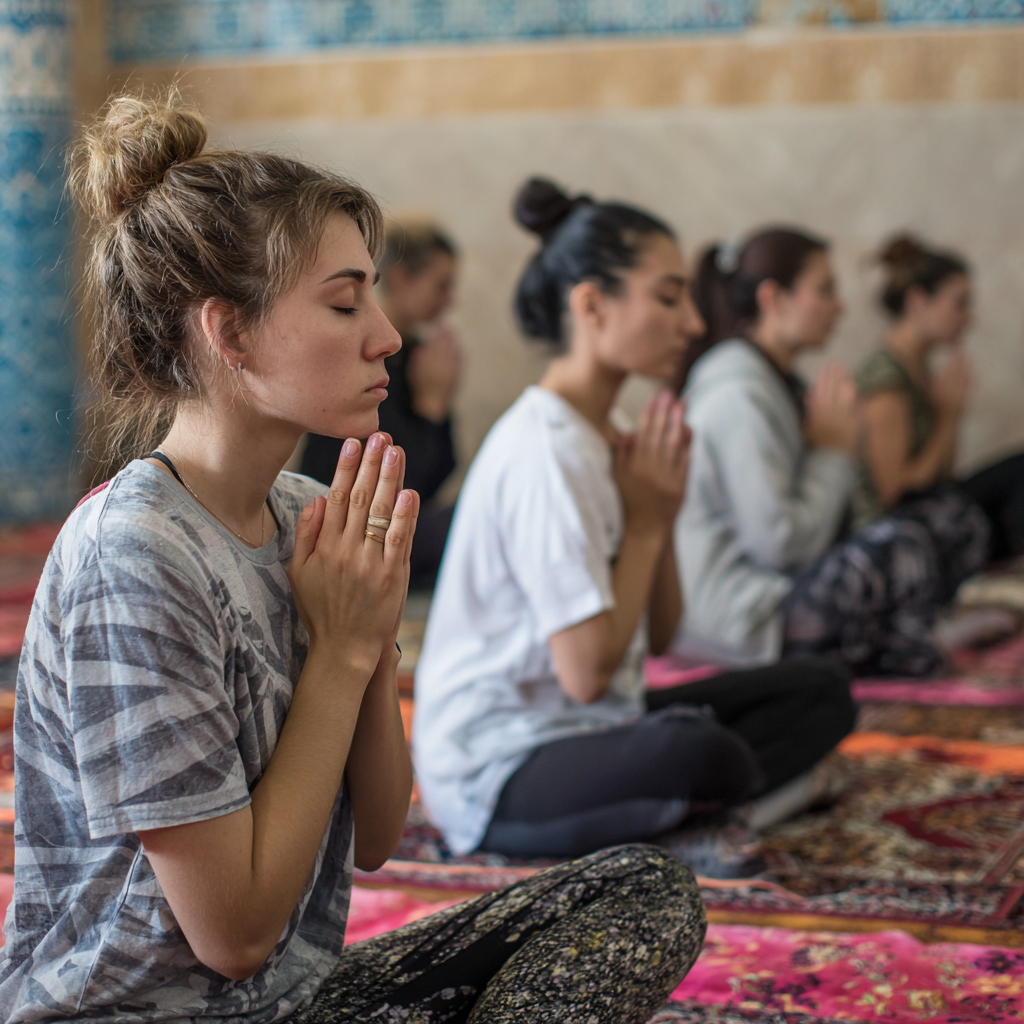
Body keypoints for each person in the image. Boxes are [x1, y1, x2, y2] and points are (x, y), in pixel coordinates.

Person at [0, 96, 706, 1024]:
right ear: (231, 333)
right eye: (344, 302)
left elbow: (377, 834)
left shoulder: (306, 514)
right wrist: (336, 654)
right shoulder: (134, 554)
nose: (387, 334)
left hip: (292, 1001)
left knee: (640, 893)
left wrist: (367, 643)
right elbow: (236, 934)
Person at [412, 179, 855, 864]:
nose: (694, 323)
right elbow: (586, 673)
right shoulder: (546, 450)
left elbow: (665, 632)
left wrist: (663, 517)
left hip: (594, 725)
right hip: (501, 772)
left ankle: (714, 814)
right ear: (591, 305)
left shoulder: (610, 431)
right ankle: (727, 816)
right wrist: (647, 527)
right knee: (697, 750)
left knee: (820, 689)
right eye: (668, 297)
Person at [674, 227, 988, 679]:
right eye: (824, 290)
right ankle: (910, 643)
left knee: (941, 524)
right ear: (773, 299)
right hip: (742, 622)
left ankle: (907, 640)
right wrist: (835, 454)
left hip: (778, 591)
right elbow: (780, 545)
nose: (839, 307)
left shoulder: (778, 383)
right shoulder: (738, 397)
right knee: (903, 546)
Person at [302, 218, 461, 588]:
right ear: (402, 277)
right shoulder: (359, 359)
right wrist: (432, 404)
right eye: (442, 286)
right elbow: (394, 488)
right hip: (345, 524)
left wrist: (437, 404)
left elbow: (439, 476)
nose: (449, 300)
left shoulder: (421, 356)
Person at [858, 234, 1024, 561]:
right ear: (918, 301)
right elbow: (896, 493)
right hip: (893, 538)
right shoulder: (886, 377)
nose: (969, 317)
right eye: (959, 303)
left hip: (924, 515)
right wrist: (947, 419)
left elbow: (940, 477)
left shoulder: (918, 370)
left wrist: (950, 416)